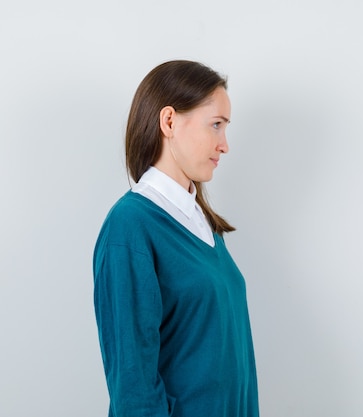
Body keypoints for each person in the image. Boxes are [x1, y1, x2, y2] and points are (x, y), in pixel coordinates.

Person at [93, 60, 259, 417]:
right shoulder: (130, 227)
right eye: (216, 125)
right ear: (169, 121)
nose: (224, 145)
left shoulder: (202, 222)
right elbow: (133, 386)